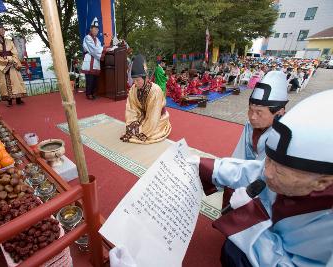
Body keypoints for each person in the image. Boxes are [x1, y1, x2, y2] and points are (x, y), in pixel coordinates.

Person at [196, 90, 333, 267]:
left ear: (323, 182)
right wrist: (203, 165)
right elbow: (249, 170)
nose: (267, 172)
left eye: (280, 172)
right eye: (268, 160)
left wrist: (248, 215)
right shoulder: (286, 170)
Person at [232, 71, 288, 160]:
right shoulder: (249, 126)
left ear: (279, 112)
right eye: (250, 110)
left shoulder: (284, 136)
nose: (252, 117)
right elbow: (240, 155)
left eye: (259, 112)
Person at [120, 55, 171, 144]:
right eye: (133, 80)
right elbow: (131, 109)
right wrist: (133, 123)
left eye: (137, 80)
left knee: (148, 134)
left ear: (145, 78)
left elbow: (154, 116)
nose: (135, 83)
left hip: (157, 118)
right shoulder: (133, 89)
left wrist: (141, 130)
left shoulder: (155, 90)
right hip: (144, 116)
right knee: (132, 129)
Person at [0, 16, 26, 107]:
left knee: (16, 80)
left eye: (3, 29)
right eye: (1, 29)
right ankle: (9, 100)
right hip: (2, 65)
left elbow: (15, 52)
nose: (3, 30)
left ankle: (18, 98)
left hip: (12, 63)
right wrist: (5, 61)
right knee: (4, 83)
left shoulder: (9, 41)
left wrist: (13, 60)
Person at [81, 17, 107, 100]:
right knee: (90, 79)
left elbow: (99, 48)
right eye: (95, 29)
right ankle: (89, 94)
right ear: (91, 29)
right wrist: (104, 50)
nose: (96, 31)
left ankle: (93, 92)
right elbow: (94, 49)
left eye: (97, 29)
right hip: (89, 60)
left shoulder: (98, 40)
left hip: (95, 60)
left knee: (95, 79)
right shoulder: (87, 38)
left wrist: (105, 49)